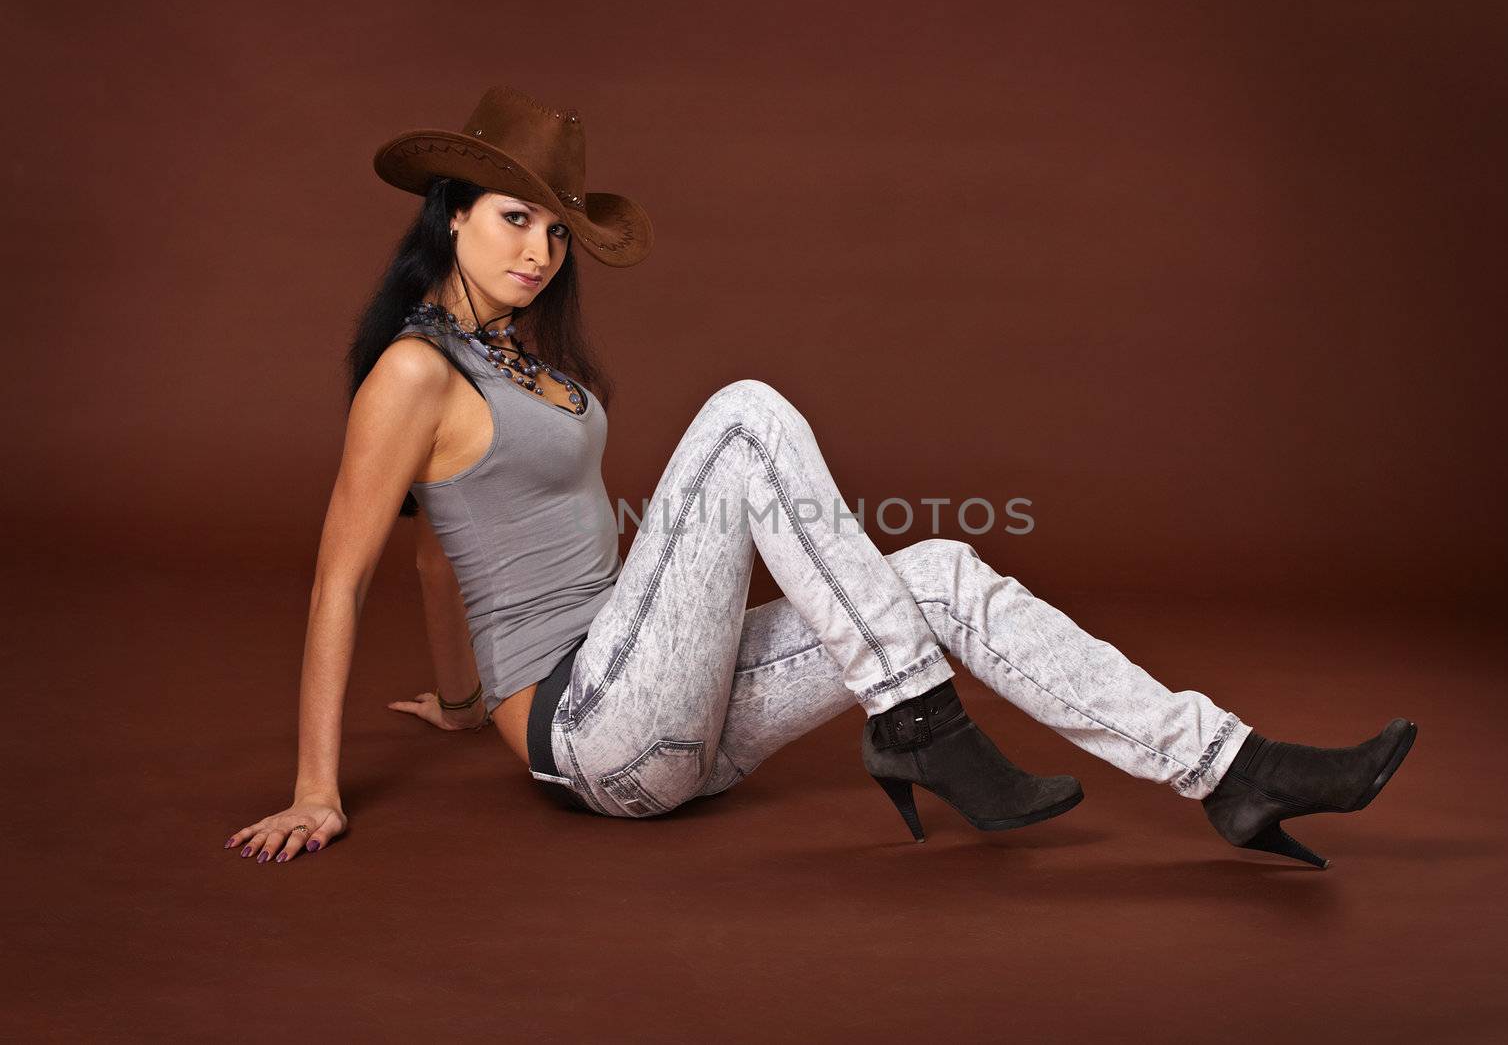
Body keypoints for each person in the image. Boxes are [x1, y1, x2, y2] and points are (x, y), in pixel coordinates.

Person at [224, 85, 1417, 870]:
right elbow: (351, 573)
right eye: (511, 220)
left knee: (941, 569)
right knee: (744, 415)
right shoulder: (412, 372)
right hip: (592, 735)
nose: (538, 252)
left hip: (661, 703)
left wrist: (450, 694)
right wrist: (318, 787)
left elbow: (449, 547)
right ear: (447, 219)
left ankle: (1230, 771)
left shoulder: (522, 358)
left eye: (555, 231)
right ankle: (917, 719)